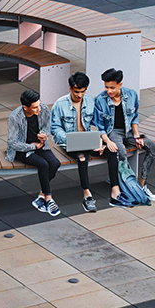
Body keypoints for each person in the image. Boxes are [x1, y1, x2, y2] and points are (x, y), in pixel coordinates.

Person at [94, 68, 155, 207]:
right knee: (120, 152)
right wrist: (108, 142)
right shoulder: (100, 100)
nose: (108, 91)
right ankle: (129, 188)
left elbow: (134, 117)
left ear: (120, 84)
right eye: (106, 87)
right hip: (113, 132)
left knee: (152, 146)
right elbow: (100, 127)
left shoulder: (131, 95)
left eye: (112, 87)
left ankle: (141, 185)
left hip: (129, 130)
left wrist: (136, 136)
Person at [51, 71, 101, 213]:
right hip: (69, 142)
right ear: (70, 88)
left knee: (112, 150)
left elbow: (98, 123)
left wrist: (100, 141)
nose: (80, 95)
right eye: (77, 92)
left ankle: (118, 189)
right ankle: (87, 196)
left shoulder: (90, 101)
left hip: (87, 139)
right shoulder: (60, 104)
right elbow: (55, 128)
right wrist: (69, 138)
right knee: (82, 157)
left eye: (83, 92)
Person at [6, 90, 61, 217]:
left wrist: (44, 135)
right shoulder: (15, 117)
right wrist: (32, 146)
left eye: (39, 105)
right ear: (25, 107)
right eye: (35, 107)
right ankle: (49, 198)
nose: (39, 109)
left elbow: (47, 127)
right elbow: (12, 142)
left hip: (41, 146)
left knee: (55, 163)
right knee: (43, 164)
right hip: (22, 150)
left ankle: (41, 196)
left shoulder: (43, 108)